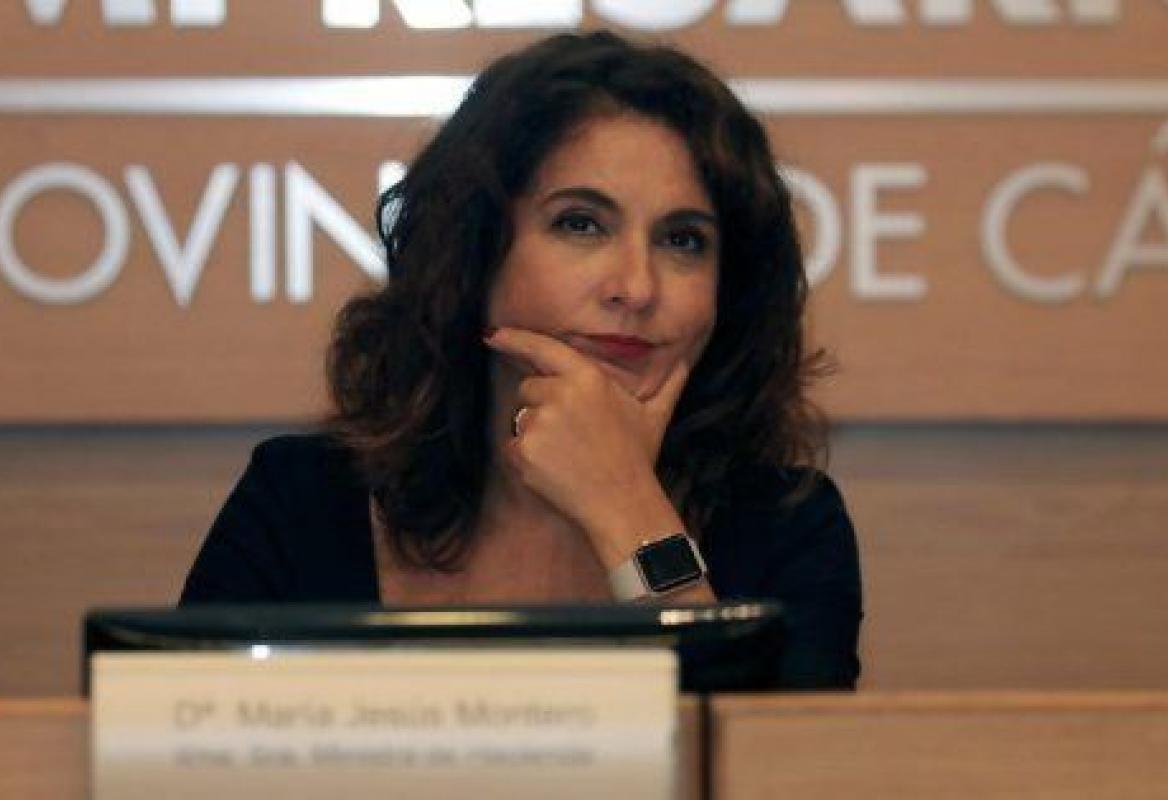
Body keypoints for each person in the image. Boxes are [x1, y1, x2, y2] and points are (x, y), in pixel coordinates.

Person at [180, 31, 862, 689]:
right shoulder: (302, 502)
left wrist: (627, 507)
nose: (636, 287)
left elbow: (760, 752)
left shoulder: (788, 529)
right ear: (475, 252)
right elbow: (175, 742)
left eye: (683, 240)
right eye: (580, 224)